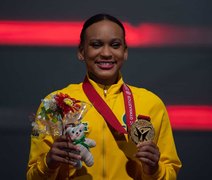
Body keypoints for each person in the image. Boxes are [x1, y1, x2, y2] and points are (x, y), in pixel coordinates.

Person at [27, 13, 182, 179]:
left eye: (115, 45)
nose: (106, 53)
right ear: (81, 51)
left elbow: (170, 171)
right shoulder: (55, 103)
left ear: (125, 52)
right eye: (96, 45)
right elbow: (32, 176)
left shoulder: (152, 103)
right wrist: (49, 163)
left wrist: (154, 170)